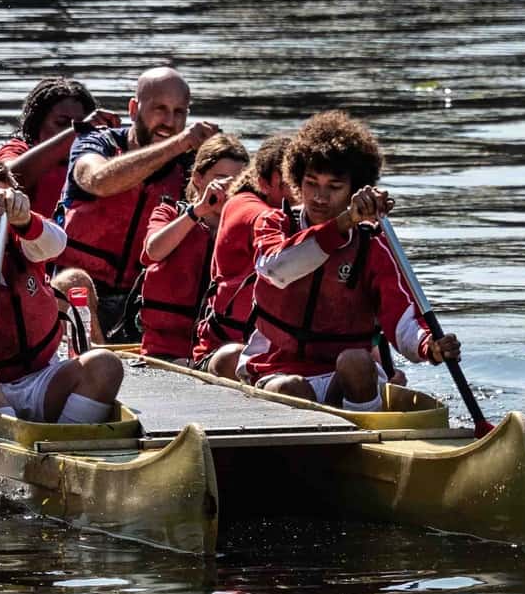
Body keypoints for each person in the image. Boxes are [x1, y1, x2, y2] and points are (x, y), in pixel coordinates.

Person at [237, 111, 459, 411]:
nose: (319, 197)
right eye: (311, 183)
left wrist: (429, 346)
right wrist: (342, 223)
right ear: (297, 180)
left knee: (356, 361)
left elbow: (403, 318)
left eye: (334, 187)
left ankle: (361, 441)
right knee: (293, 388)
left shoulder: (372, 244)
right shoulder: (274, 223)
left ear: (354, 189)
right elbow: (276, 269)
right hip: (278, 368)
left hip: (343, 373)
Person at [0, 153, 123, 424]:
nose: (6, 215)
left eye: (9, 201)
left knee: (106, 365)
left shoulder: (24, 238)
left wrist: (25, 218)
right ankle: (14, 438)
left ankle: (62, 444)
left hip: (42, 379)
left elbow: (56, 244)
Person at [57, 66, 219, 339]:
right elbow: (97, 180)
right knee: (75, 284)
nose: (169, 121)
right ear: (133, 109)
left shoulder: (192, 166)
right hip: (84, 295)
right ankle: (93, 359)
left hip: (144, 303)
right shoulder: (95, 142)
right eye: (160, 109)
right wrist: (180, 143)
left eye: (179, 112)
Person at [135, 134, 248, 364]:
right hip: (165, 350)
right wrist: (198, 210)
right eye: (221, 178)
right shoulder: (169, 212)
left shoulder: (251, 224)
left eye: (238, 180)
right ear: (198, 178)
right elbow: (153, 251)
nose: (230, 188)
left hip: (218, 351)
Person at [191, 133, 292, 378]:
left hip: (277, 355)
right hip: (219, 353)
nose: (306, 192)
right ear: (265, 183)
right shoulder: (246, 206)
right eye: (293, 182)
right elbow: (267, 227)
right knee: (234, 355)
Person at [0, 77, 119, 214]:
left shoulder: (98, 154)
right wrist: (79, 129)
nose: (72, 131)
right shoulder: (18, 149)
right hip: (35, 233)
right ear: (37, 124)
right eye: (61, 123)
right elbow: (5, 179)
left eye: (80, 123)